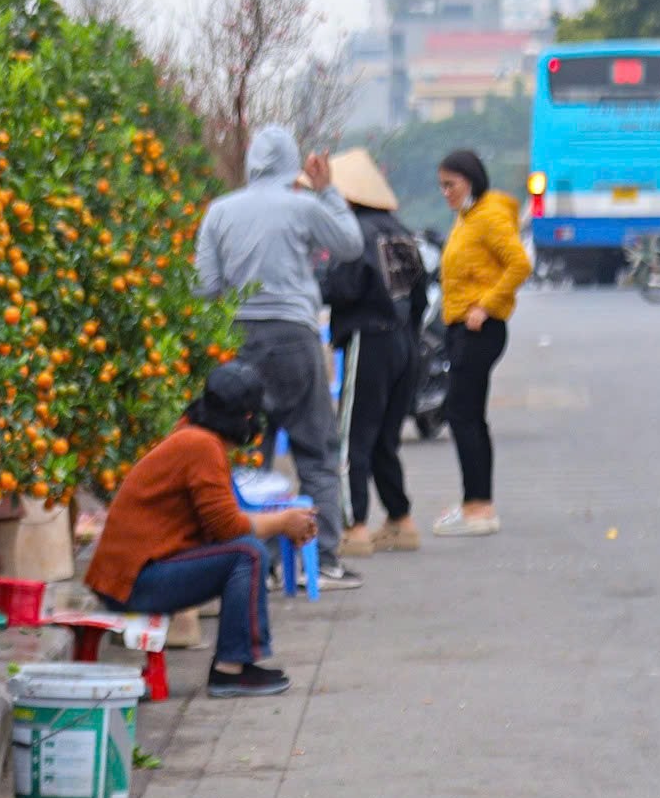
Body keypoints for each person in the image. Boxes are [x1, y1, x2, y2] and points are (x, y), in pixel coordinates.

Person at [194, 124, 364, 590]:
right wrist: (327, 190)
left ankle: (260, 562)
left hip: (237, 342)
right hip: (295, 339)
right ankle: (324, 558)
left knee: (250, 453)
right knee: (316, 450)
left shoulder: (219, 212)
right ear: (293, 165)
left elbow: (205, 286)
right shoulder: (304, 205)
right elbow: (350, 244)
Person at [85, 362, 315, 699]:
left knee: (245, 550)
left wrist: (286, 520)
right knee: (247, 554)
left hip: (130, 578)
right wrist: (283, 522)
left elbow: (224, 517)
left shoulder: (193, 435)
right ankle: (230, 670)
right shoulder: (201, 446)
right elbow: (228, 527)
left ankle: (235, 665)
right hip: (131, 584)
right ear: (247, 419)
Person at [322, 149, 429, 558]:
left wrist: (316, 281)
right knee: (385, 438)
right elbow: (420, 297)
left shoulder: (355, 234)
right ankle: (400, 520)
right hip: (404, 342)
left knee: (351, 439)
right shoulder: (400, 230)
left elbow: (342, 289)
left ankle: (355, 526)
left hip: (368, 339)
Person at [433, 148, 533, 537]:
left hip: (478, 328)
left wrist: (486, 306)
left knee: (461, 415)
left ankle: (477, 508)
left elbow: (520, 263)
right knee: (469, 416)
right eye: (440, 186)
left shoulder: (488, 216)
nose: (445, 192)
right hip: (463, 327)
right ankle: (478, 505)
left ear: (470, 181)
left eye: (450, 185)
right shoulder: (467, 217)